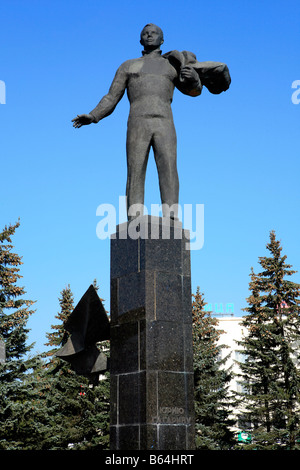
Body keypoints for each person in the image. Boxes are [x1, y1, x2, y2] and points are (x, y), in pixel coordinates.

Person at [72, 24, 230, 220]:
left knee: (169, 168)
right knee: (135, 169)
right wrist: (94, 115)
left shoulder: (172, 65)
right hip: (138, 122)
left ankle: (171, 216)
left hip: (165, 122)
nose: (149, 36)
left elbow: (194, 92)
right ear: (140, 40)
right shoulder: (128, 66)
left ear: (162, 40)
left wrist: (194, 80)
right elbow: (111, 97)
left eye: (154, 33)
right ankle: (134, 216)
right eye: (145, 33)